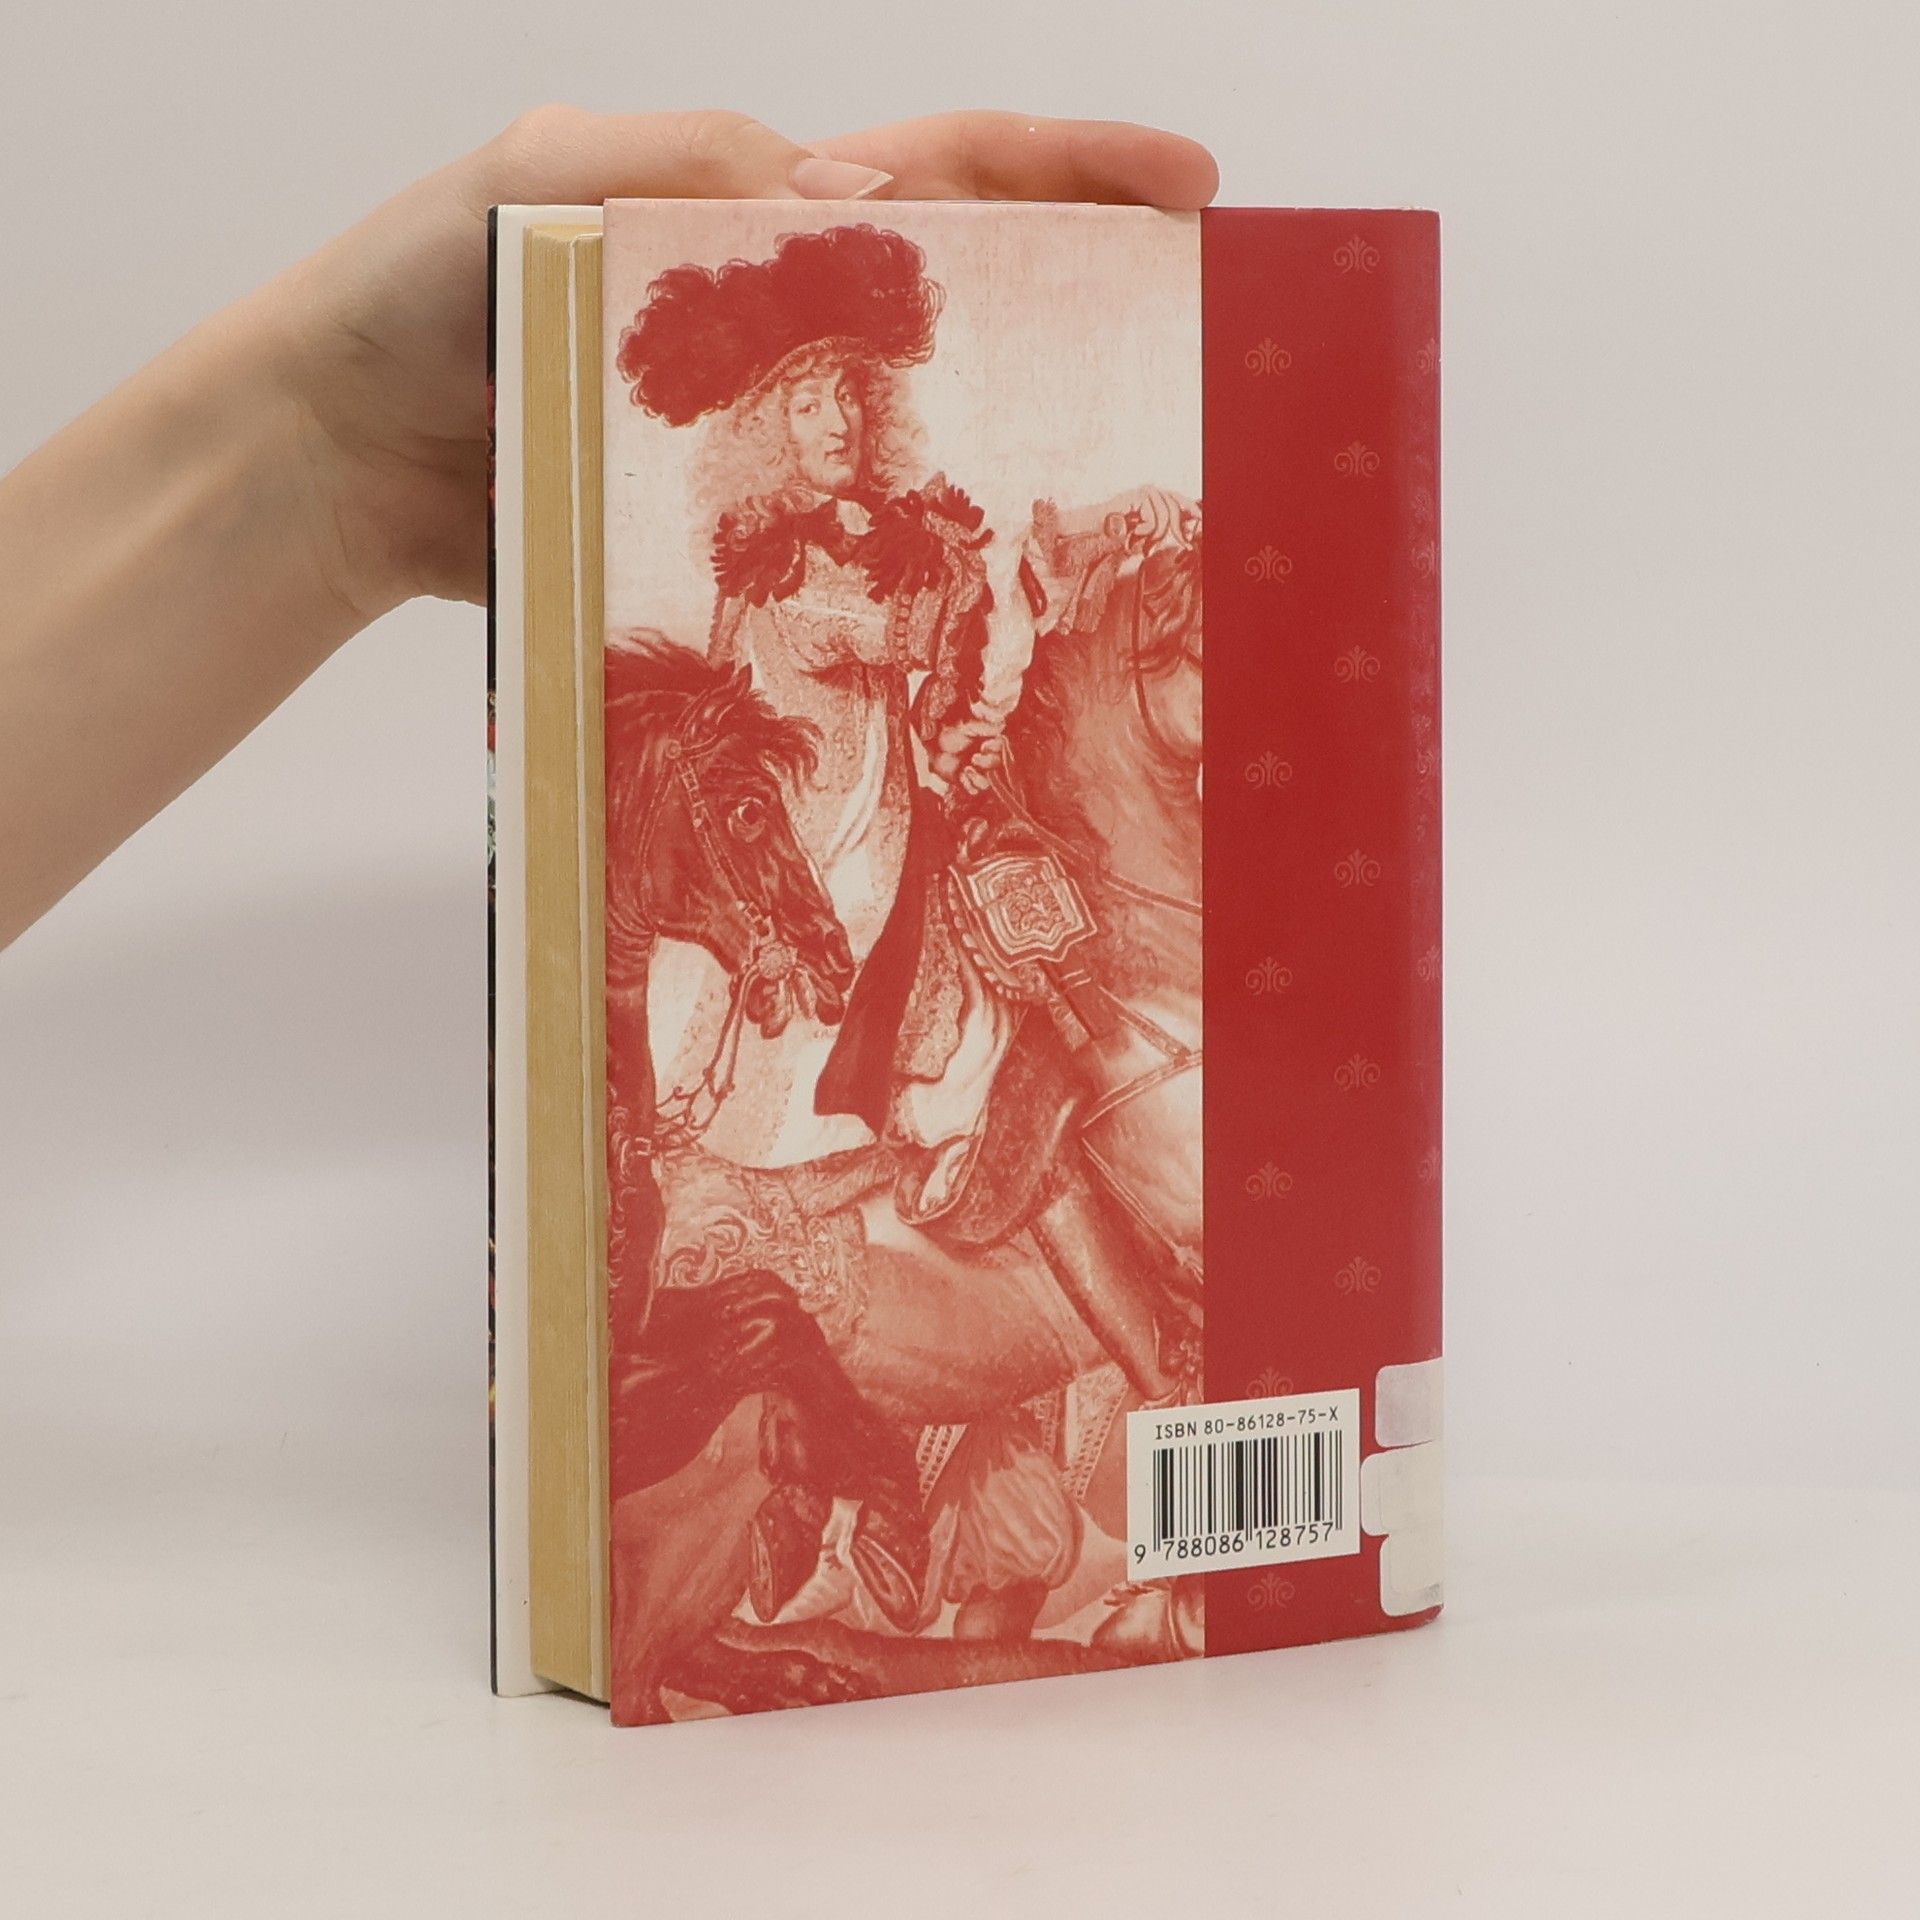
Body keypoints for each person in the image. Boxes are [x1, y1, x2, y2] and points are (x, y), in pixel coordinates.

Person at [0, 108, 1219, 951]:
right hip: (801, 812)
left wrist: (1091, 541)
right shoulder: (775, 567)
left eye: (850, 395)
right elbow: (873, 643)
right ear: (765, 429)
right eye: (807, 402)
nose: (838, 419)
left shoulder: (917, 532)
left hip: (914, 796)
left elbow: (990, 591)